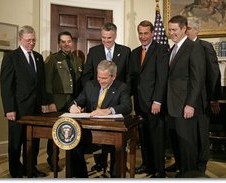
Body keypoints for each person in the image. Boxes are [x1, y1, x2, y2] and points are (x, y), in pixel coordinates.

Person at [166, 17, 222, 175]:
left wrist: (191, 104)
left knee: (189, 143)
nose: (171, 33)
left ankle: (190, 174)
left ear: (184, 29)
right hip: (174, 104)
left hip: (188, 104)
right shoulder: (173, 48)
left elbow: (198, 79)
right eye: (169, 30)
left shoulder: (195, 47)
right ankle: (183, 171)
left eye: (174, 30)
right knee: (179, 142)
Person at [81, 22, 131, 171]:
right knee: (97, 135)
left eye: (109, 38)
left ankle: (116, 166)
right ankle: (99, 163)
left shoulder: (125, 51)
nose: (106, 41)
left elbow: (129, 76)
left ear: (115, 36)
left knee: (116, 138)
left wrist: (124, 93)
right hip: (98, 98)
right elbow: (86, 75)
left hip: (117, 98)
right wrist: (89, 94)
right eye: (103, 38)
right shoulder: (94, 51)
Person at [69, 60, 132, 178]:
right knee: (73, 143)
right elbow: (78, 101)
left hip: (111, 133)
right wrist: (73, 106)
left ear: (113, 77)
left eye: (104, 78)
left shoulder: (122, 87)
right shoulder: (90, 85)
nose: (100, 80)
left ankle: (116, 178)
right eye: (99, 77)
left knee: (118, 148)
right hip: (90, 131)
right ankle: (80, 178)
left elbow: (127, 106)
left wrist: (108, 110)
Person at [0, 25, 48, 178]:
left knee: (33, 141)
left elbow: (41, 84)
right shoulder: (11, 57)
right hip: (18, 109)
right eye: (28, 40)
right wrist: (9, 109)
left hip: (35, 109)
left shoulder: (39, 57)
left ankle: (31, 169)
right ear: (20, 39)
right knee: (16, 143)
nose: (31, 43)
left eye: (33, 40)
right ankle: (15, 172)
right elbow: (6, 86)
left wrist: (44, 103)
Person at [128, 20, 169, 178]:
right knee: (143, 136)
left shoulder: (161, 49)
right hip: (139, 103)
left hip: (154, 103)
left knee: (156, 138)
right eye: (140, 33)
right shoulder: (135, 52)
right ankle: (147, 165)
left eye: (146, 33)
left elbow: (162, 77)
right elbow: (132, 78)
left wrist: (157, 101)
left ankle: (159, 170)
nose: (143, 36)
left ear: (152, 33)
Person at [44, 31, 83, 171]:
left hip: (74, 102)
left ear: (72, 42)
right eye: (63, 42)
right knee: (55, 133)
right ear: (59, 44)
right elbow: (47, 82)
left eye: (69, 41)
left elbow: (80, 83)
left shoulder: (77, 60)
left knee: (74, 131)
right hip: (58, 101)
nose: (67, 44)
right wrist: (50, 102)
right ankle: (52, 160)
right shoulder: (53, 59)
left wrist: (80, 102)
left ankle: (73, 162)